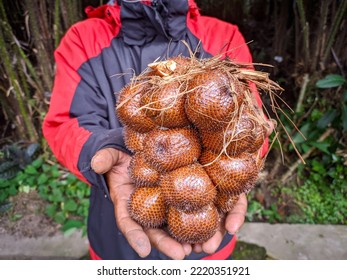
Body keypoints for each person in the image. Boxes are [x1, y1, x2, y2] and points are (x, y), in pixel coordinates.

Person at [42, 0, 271, 260]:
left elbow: (251, 122)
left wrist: (251, 144)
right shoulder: (83, 39)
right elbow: (65, 124)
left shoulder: (224, 37)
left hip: (209, 240)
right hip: (115, 240)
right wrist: (103, 148)